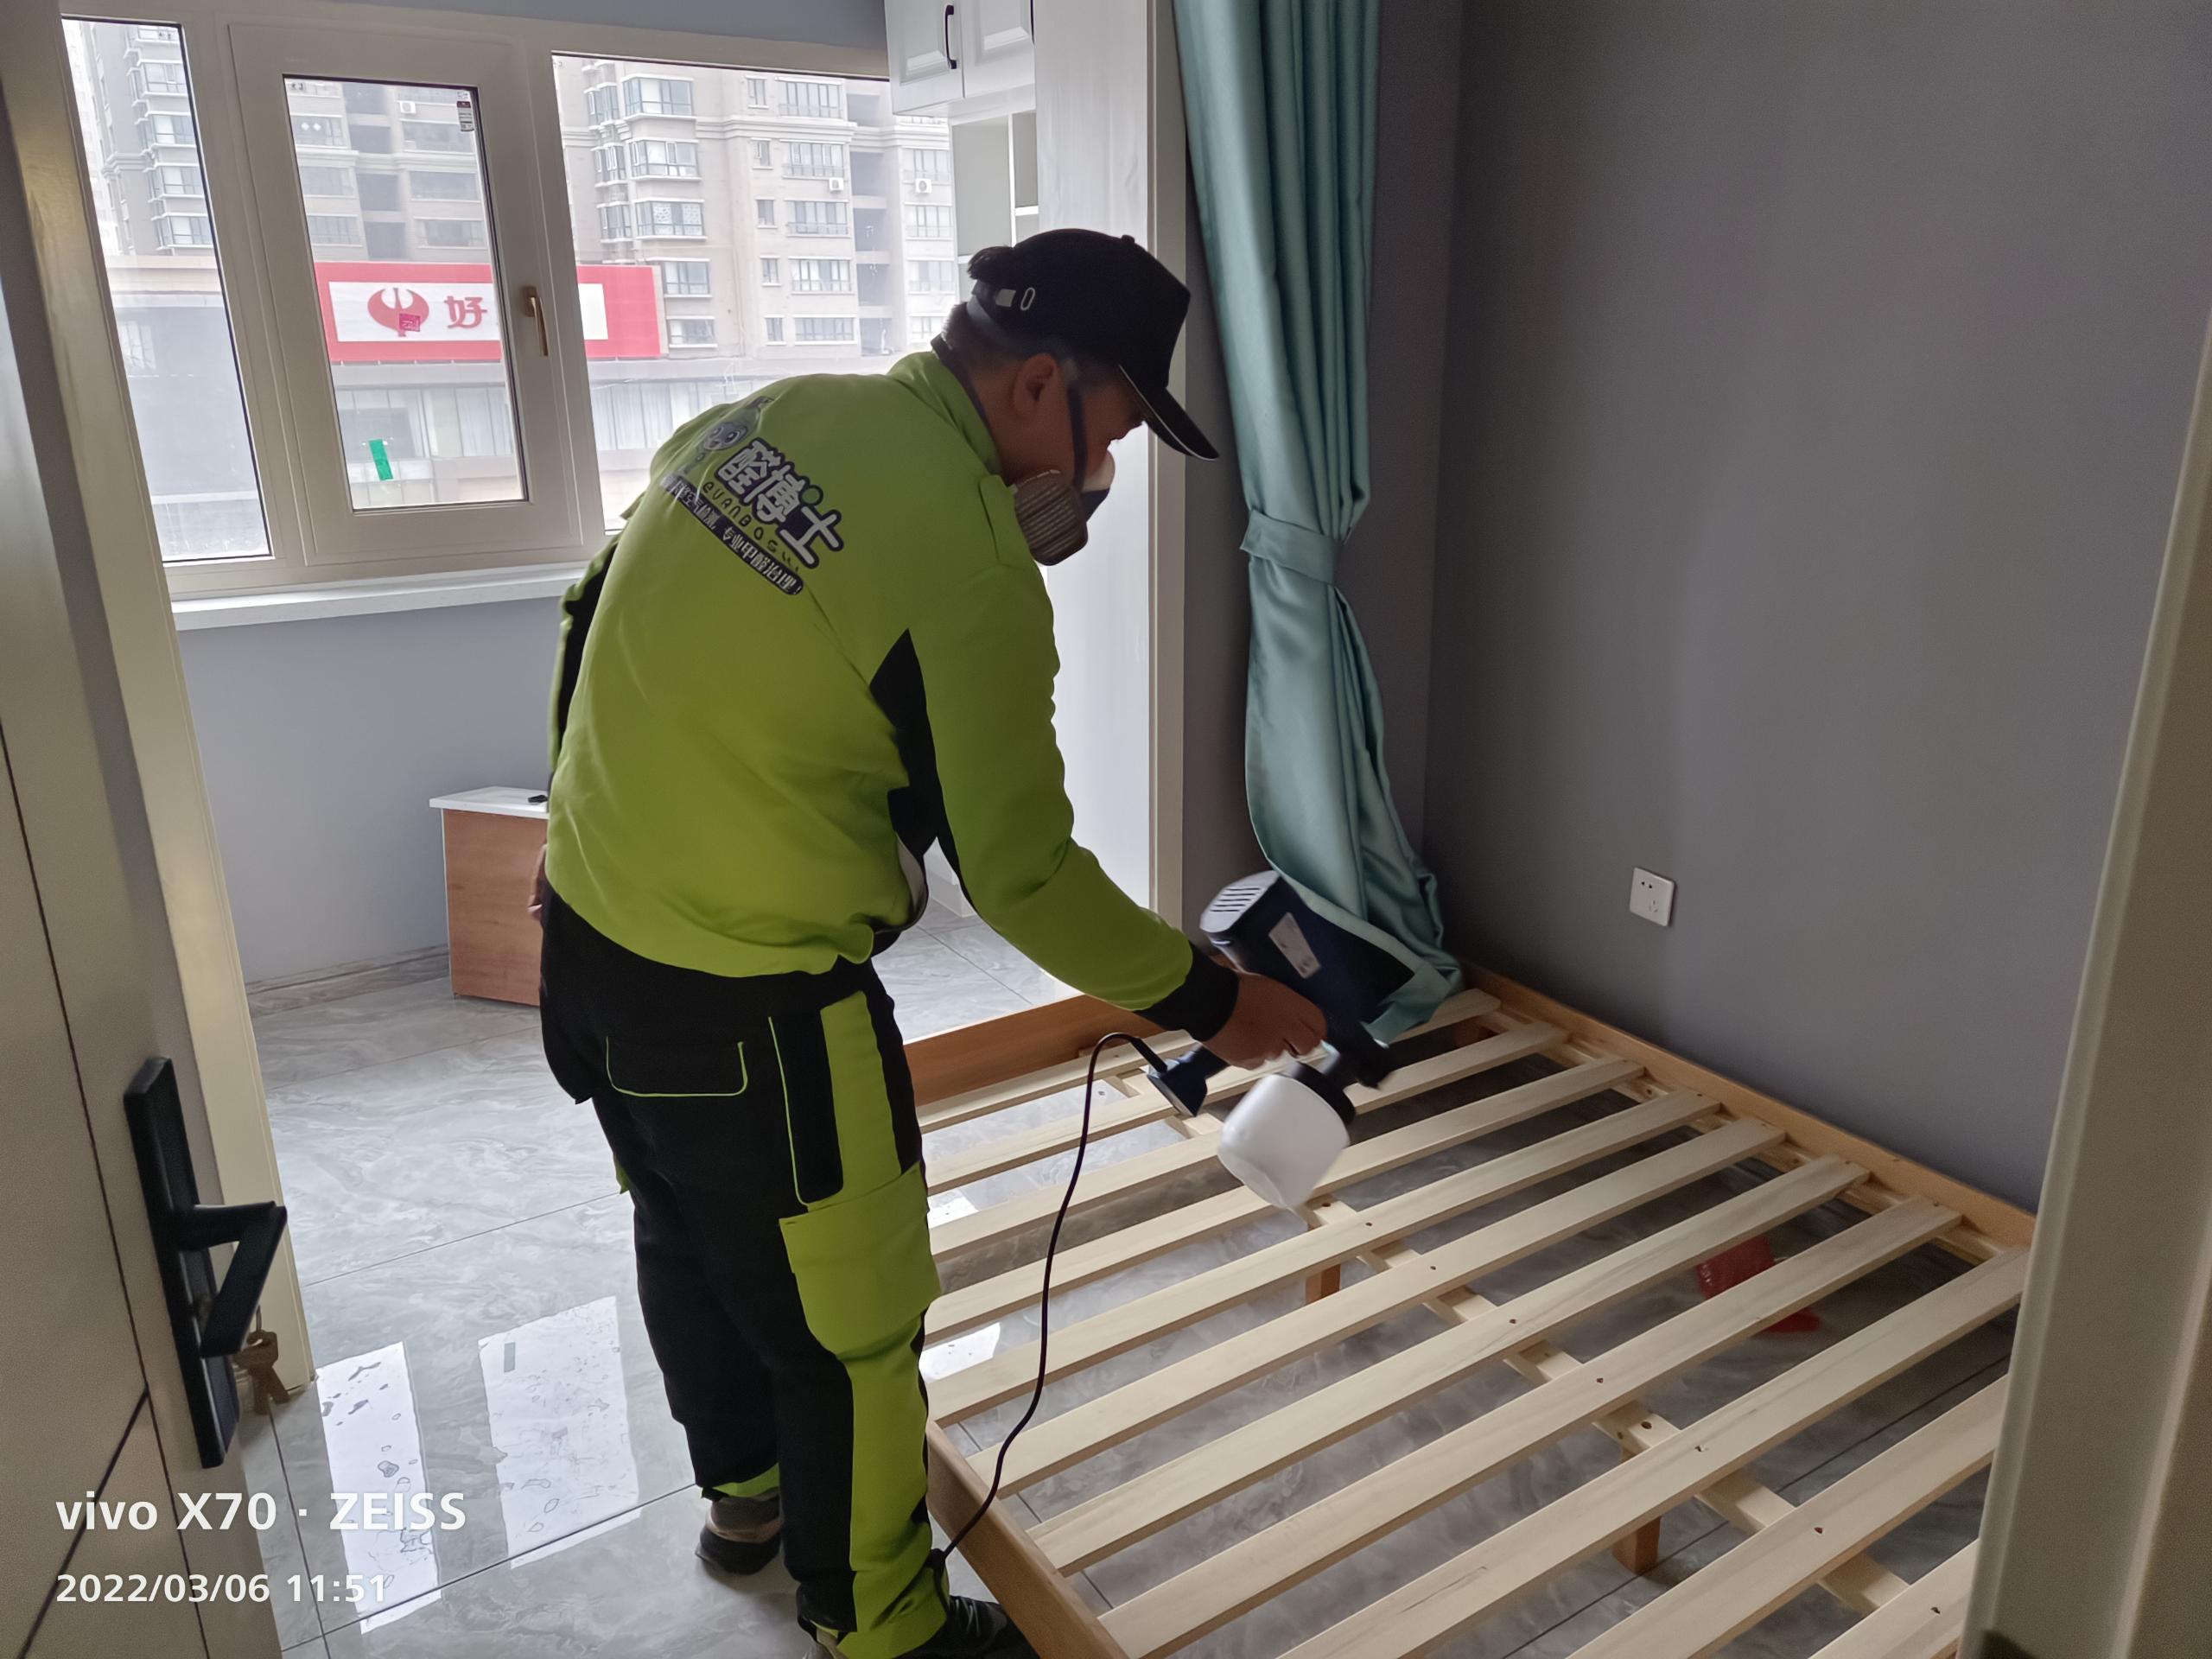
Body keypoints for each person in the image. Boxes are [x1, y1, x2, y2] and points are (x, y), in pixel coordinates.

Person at [535, 227, 1325, 1659]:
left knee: (690, 1227)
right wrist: (1216, 1002)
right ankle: (883, 1625)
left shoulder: (774, 417)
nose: (1102, 472)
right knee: (850, 1322)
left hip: (586, 942)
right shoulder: (968, 562)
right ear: (1037, 385)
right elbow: (1022, 875)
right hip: (753, 1006)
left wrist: (593, 835)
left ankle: (746, 1503)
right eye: (1114, 432)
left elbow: (594, 607)